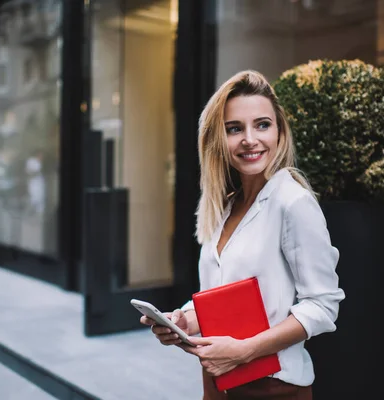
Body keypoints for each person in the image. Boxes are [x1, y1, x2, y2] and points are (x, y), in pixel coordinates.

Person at [140, 70, 345, 399]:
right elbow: (221, 297)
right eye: (235, 129)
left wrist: (245, 350)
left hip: (272, 388)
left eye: (262, 124)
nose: (250, 139)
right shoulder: (226, 206)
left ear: (279, 131)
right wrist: (183, 322)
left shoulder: (293, 202)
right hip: (218, 383)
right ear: (218, 138)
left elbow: (323, 306)